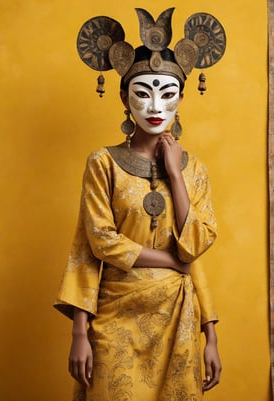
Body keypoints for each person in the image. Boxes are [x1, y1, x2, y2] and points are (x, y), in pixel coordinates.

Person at [54, 8, 226, 401]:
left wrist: (210, 333)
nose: (154, 107)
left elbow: (194, 247)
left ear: (181, 97)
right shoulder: (103, 162)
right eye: (142, 93)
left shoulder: (193, 168)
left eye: (166, 94)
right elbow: (94, 243)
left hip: (179, 320)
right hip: (116, 316)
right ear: (123, 95)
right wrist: (79, 332)